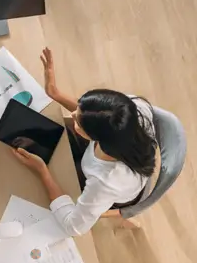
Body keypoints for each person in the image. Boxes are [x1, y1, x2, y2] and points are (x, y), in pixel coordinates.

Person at [11, 48, 158, 236]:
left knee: (33, 181)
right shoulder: (133, 109)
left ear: (97, 138)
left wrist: (42, 172)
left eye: (78, 122)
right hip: (107, 162)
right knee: (44, 133)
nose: (72, 114)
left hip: (112, 191)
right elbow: (93, 116)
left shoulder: (104, 182)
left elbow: (73, 227)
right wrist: (55, 93)